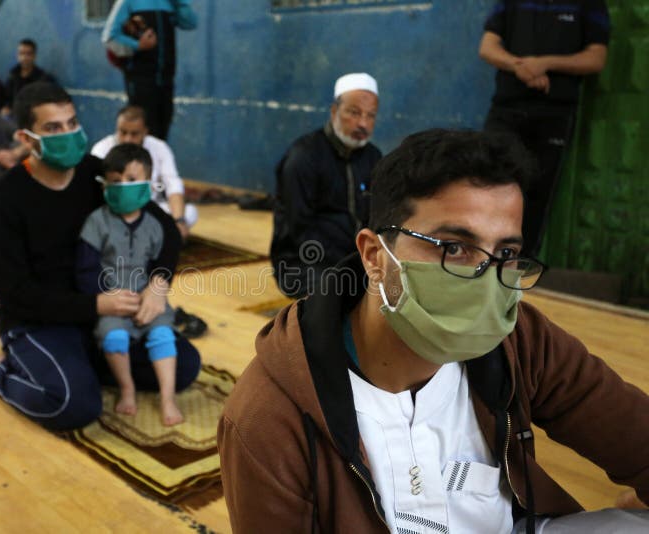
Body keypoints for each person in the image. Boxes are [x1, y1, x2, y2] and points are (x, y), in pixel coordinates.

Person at [218, 129, 649, 533]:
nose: (484, 280)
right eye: (453, 248)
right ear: (374, 256)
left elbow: (634, 436)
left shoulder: (520, 341)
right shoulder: (268, 419)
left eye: (506, 252)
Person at [0, 82, 201, 431]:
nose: (67, 134)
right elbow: (15, 295)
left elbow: (166, 229)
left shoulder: (97, 175)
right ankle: (2, 372)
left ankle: (83, 364)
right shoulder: (1, 199)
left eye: (71, 123)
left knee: (185, 365)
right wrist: (97, 306)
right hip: (40, 319)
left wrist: (158, 284)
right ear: (26, 139)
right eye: (53, 128)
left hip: (104, 315)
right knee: (73, 405)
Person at [479, 1, 610, 255]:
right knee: (489, 182)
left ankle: (520, 270)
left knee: (538, 197)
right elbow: (488, 47)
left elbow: (596, 58)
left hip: (555, 114)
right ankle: (478, 258)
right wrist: (520, 66)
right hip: (506, 109)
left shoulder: (590, 4)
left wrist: (545, 63)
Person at [77, 143, 185, 426]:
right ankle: (127, 389)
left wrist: (155, 290)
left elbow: (164, 258)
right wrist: (103, 298)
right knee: (114, 338)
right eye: (115, 181)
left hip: (147, 298)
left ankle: (167, 397)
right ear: (104, 185)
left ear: (149, 183)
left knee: (163, 335)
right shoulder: (96, 222)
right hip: (111, 300)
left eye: (132, 180)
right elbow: (86, 267)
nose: (123, 186)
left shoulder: (156, 223)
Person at [271, 72, 383, 299]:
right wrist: (349, 265)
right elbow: (299, 230)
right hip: (305, 261)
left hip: (356, 257)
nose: (363, 123)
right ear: (334, 111)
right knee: (341, 293)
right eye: (354, 112)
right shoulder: (304, 157)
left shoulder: (373, 158)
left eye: (370, 116)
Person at [91, 105, 196, 237]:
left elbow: (173, 185)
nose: (127, 139)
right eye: (123, 132)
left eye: (134, 134)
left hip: (149, 208)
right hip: (113, 209)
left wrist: (179, 221)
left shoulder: (159, 148)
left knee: (189, 213)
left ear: (145, 131)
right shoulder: (102, 149)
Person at [101, 0, 197, 140]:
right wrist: (138, 45)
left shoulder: (169, 3)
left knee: (162, 130)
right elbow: (109, 38)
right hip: (140, 81)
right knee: (140, 132)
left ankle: (156, 161)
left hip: (166, 80)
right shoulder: (128, 2)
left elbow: (190, 23)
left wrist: (180, 2)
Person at [1, 39, 55, 115]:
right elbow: (7, 99)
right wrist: (6, 108)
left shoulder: (44, 79)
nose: (24, 57)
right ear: (17, 55)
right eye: (21, 53)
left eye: (28, 54)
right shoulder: (12, 76)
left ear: (34, 56)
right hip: (14, 117)